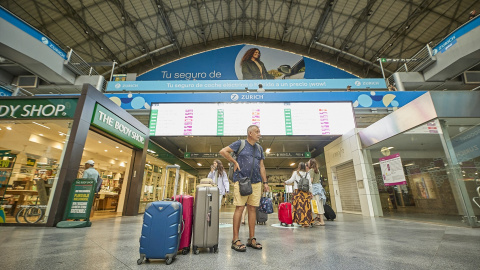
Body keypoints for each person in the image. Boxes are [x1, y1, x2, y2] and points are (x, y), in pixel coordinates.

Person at [219, 125, 269, 252]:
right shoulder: (240, 144)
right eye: (257, 132)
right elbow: (223, 151)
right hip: (241, 180)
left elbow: (262, 166)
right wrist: (234, 162)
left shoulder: (259, 148)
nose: (259, 133)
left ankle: (251, 238)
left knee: (252, 209)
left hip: (256, 182)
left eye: (259, 131)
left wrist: (265, 182)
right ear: (250, 133)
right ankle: (235, 239)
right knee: (240, 208)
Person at [284, 162, 313, 228]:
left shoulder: (295, 173)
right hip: (305, 193)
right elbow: (310, 184)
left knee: (298, 207)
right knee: (306, 207)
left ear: (299, 167)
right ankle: (306, 222)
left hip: (298, 192)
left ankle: (299, 220)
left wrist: (285, 182)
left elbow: (291, 180)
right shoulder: (307, 174)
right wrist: (311, 192)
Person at [307, 159, 326, 226]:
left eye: (308, 162)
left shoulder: (311, 171)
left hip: (314, 189)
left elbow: (311, 180)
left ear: (311, 164)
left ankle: (322, 221)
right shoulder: (317, 170)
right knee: (319, 204)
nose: (308, 163)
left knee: (316, 204)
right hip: (319, 188)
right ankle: (319, 218)